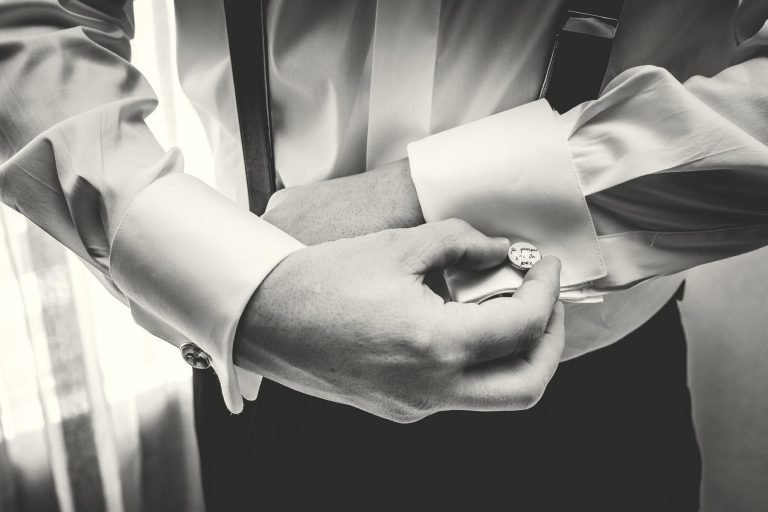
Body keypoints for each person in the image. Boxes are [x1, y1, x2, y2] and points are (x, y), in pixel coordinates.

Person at [1, 0, 767, 510]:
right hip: (258, 375)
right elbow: (29, 21)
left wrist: (416, 199)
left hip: (591, 403)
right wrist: (239, 291)